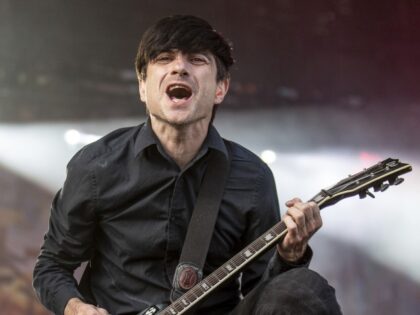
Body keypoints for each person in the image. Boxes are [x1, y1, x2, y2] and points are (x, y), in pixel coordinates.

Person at [33, 15, 341, 315]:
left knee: (302, 286)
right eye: (164, 58)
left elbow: (266, 294)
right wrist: (76, 308)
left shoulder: (253, 178)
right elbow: (52, 266)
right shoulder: (96, 165)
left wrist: (289, 257)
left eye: (196, 60)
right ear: (143, 86)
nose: (179, 67)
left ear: (220, 88)